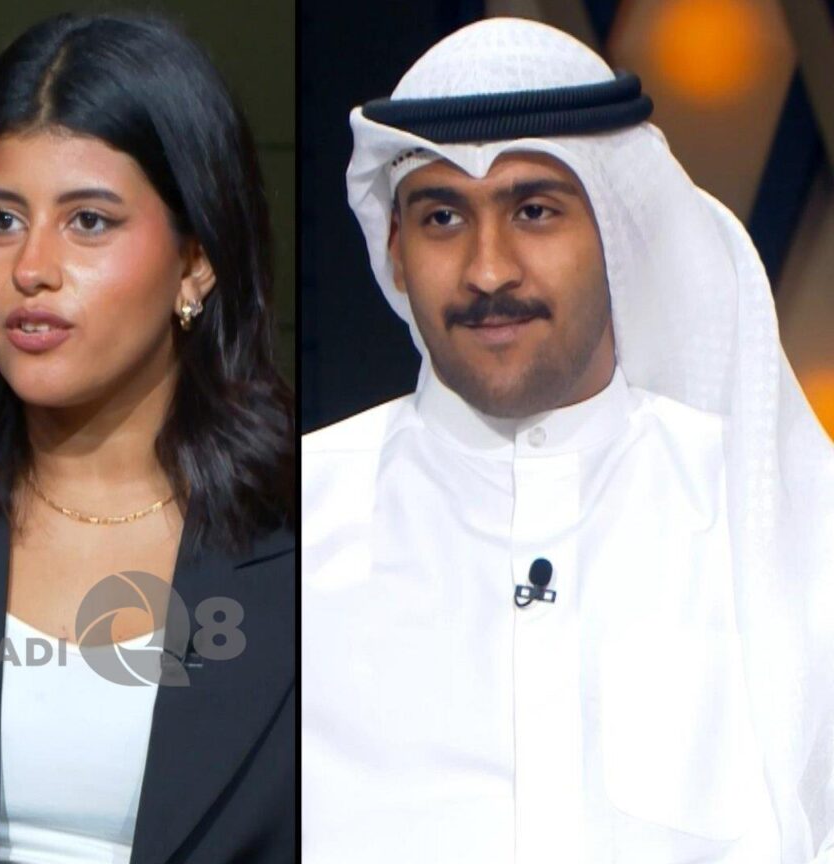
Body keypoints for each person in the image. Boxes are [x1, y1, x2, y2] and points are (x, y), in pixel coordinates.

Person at [301, 17, 834, 863]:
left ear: (617, 231)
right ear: (396, 251)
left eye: (535, 210)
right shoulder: (292, 520)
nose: (488, 269)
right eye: (442, 216)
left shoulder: (777, 520)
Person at [0, 12, 295, 864]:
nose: (32, 268)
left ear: (196, 261)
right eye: (0, 220)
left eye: (88, 221)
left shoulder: (307, 532)